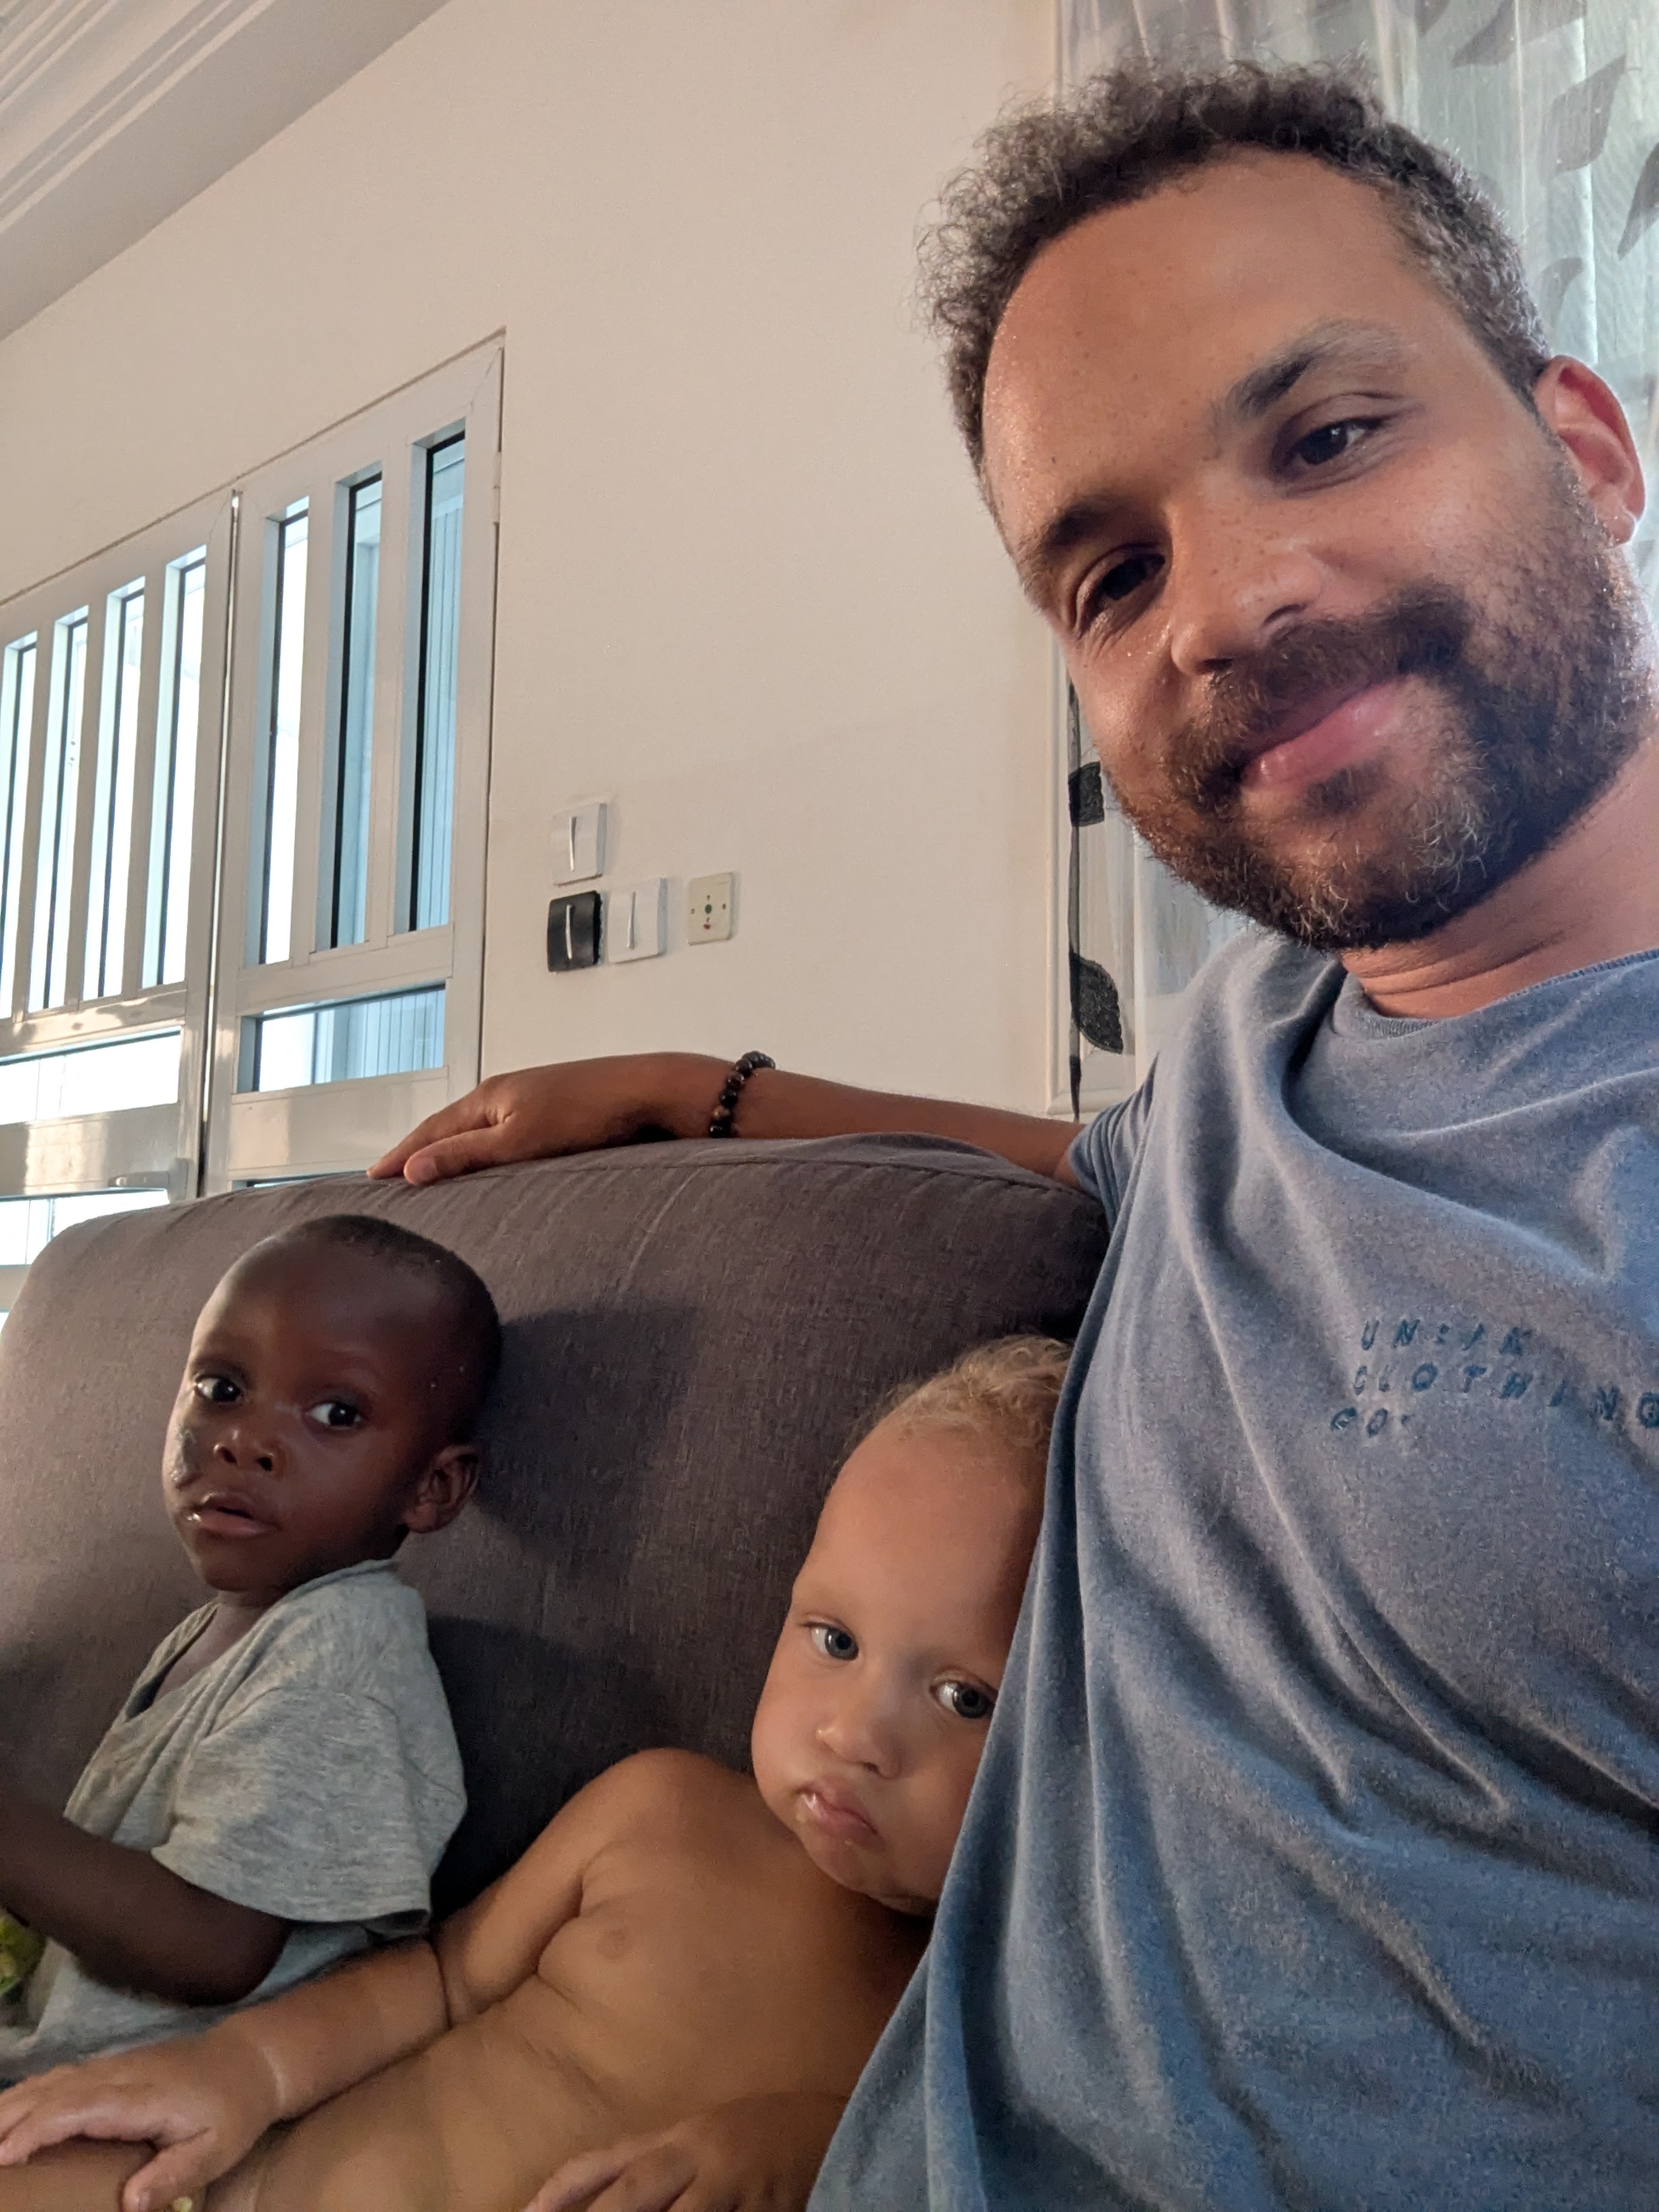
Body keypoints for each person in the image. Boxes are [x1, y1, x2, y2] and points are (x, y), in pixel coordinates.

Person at [355, 56, 1659, 2212]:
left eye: (1328, 435)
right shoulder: (1255, 1044)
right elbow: (1084, 1160)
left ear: (1586, 450)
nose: (1220, 608)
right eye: (1111, 575)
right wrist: (702, 1089)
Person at [0, 1337, 1069, 2212]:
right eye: (834, 1640)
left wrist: (823, 2148)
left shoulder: (997, 2020)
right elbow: (438, 1981)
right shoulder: (660, 1813)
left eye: (964, 1698)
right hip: (242, 2186)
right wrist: (243, 2073)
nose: (854, 1733)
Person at [0, 1214, 501, 2088]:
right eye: (221, 1388)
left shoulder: (341, 1654)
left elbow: (214, 1946)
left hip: (148, 2101)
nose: (242, 1440)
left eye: (335, 1413)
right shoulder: (229, 1624)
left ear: (432, 1488)